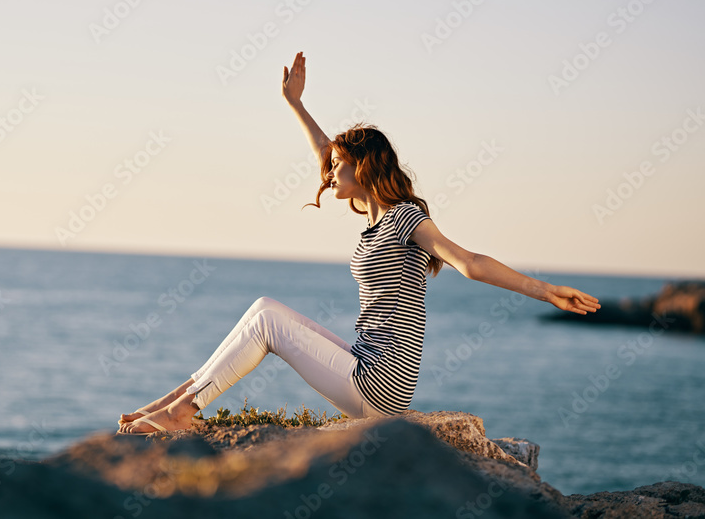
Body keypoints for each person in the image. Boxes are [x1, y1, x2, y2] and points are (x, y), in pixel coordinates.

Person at [116, 51, 600, 435]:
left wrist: (546, 291)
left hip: (380, 385)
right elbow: (326, 151)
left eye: (340, 164)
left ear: (364, 168)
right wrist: (296, 104)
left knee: (266, 321)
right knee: (263, 307)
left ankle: (184, 412)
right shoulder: (374, 219)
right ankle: (166, 407)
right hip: (364, 361)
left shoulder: (406, 218)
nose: (329, 172)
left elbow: (469, 261)